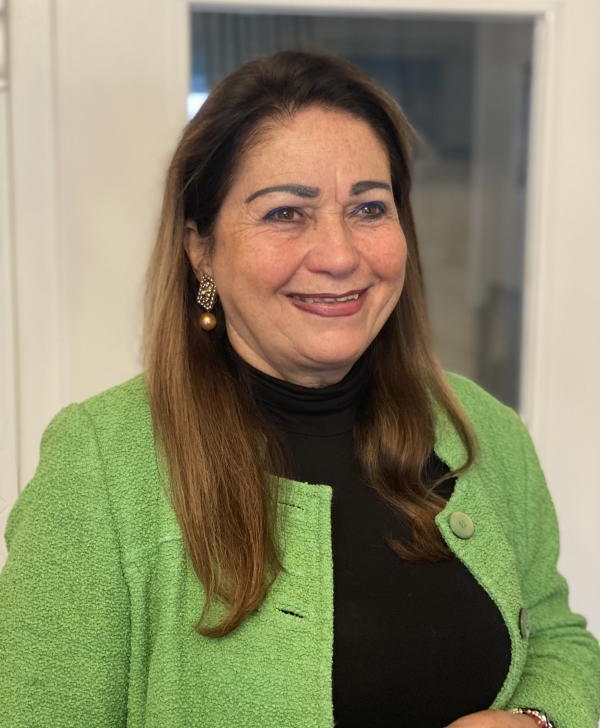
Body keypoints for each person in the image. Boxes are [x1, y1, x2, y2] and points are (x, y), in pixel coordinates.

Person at [0, 50, 598, 728]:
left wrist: (538, 718)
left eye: (368, 208)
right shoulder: (100, 467)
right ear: (200, 248)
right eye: (286, 213)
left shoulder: (482, 431)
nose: (340, 255)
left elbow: (558, 639)